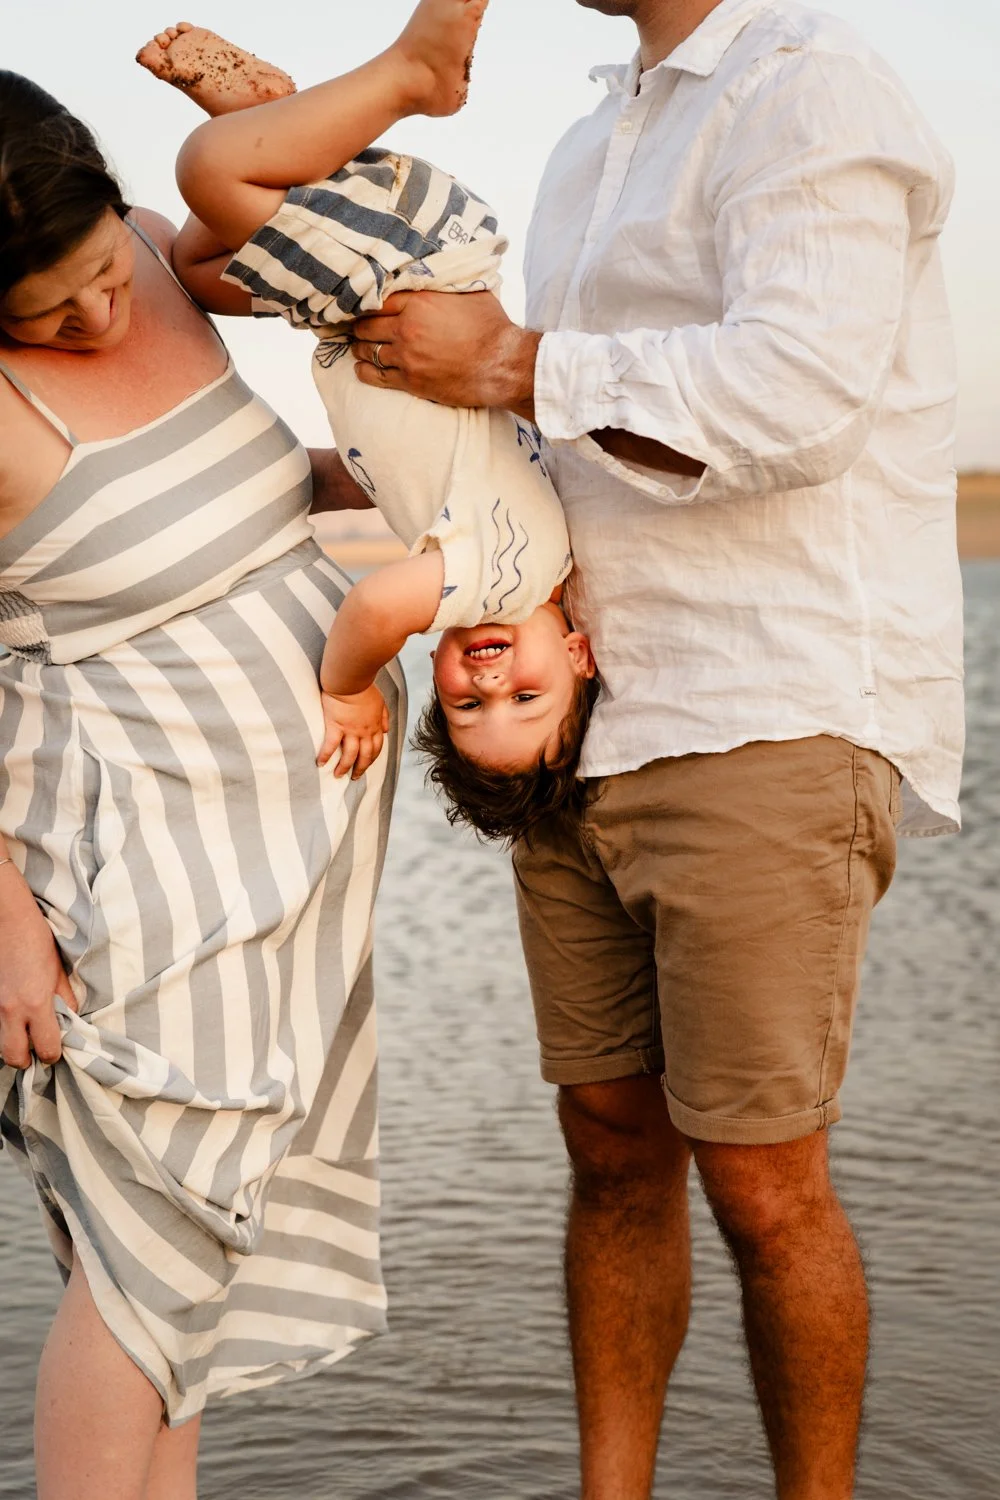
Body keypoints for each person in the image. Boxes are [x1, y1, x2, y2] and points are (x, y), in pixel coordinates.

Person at [347, 0, 965, 1495]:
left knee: (765, 1183)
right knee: (611, 1150)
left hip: (765, 713)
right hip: (581, 727)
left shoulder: (811, 91)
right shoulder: (586, 140)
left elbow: (796, 398)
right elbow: (553, 454)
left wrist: (506, 363)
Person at [0, 61, 405, 1500]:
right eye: (41, 310)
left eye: (101, 269)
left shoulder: (163, 275)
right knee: (140, 1254)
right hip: (133, 866)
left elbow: (214, 491)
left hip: (278, 866)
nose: (94, 315)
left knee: (181, 1272)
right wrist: (8, 928)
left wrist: (379, 477)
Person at [137, 10, 598, 837]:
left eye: (465, 704)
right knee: (208, 174)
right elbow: (378, 609)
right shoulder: (506, 580)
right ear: (577, 658)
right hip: (413, 274)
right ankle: (413, 74)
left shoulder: (543, 554)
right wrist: (347, 689)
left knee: (198, 269)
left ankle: (274, 123)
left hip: (371, 298)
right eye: (526, 698)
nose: (490, 682)